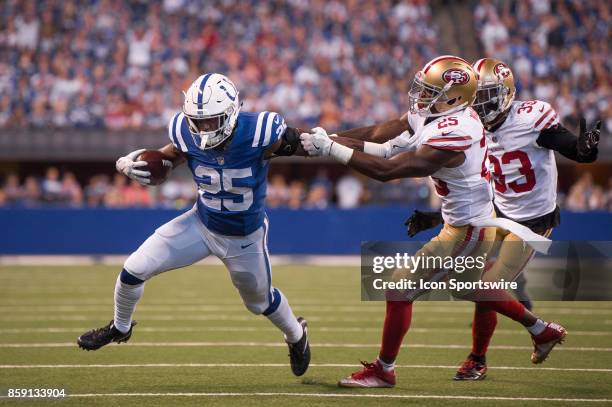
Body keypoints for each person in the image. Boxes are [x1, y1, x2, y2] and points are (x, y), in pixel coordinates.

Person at [301, 55, 566, 388]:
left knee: (400, 289)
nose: (421, 96)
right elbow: (381, 140)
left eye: (431, 91)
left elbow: (389, 171)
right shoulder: (442, 114)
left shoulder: (459, 131)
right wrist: (329, 139)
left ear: (454, 96)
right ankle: (542, 330)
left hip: (469, 228)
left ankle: (384, 370)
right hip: (463, 222)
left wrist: (331, 149)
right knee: (470, 287)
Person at [77, 73, 310, 377]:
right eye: (198, 121)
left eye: (211, 121)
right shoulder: (184, 130)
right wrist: (136, 162)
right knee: (133, 269)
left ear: (230, 113)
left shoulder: (260, 131)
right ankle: (120, 327)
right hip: (201, 223)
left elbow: (305, 143)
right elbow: (169, 157)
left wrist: (335, 145)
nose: (203, 128)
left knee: (259, 303)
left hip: (244, 236)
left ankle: (296, 335)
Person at [406, 58, 601, 380]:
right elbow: (472, 186)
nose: (480, 104)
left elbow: (571, 147)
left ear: (505, 94)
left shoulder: (530, 117)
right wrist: (436, 217)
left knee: (485, 286)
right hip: (495, 213)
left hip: (533, 221)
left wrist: (585, 151)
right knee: (473, 286)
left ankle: (490, 354)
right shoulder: (467, 124)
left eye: (487, 96)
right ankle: (524, 338)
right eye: (476, 96)